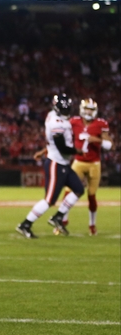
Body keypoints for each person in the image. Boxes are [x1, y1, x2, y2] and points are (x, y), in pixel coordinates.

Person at [17, 94, 84, 238]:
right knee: (49, 200)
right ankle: (26, 224)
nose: (67, 112)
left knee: (78, 189)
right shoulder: (56, 122)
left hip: (63, 163)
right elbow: (61, 147)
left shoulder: (54, 117)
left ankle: (58, 217)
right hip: (56, 164)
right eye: (64, 109)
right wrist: (77, 151)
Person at [61, 98, 113, 235]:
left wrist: (95, 139)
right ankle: (63, 222)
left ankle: (92, 224)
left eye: (91, 109)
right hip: (78, 161)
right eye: (87, 109)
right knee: (67, 192)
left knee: (91, 195)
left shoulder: (101, 124)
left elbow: (109, 145)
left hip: (94, 163)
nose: (88, 112)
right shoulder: (74, 121)